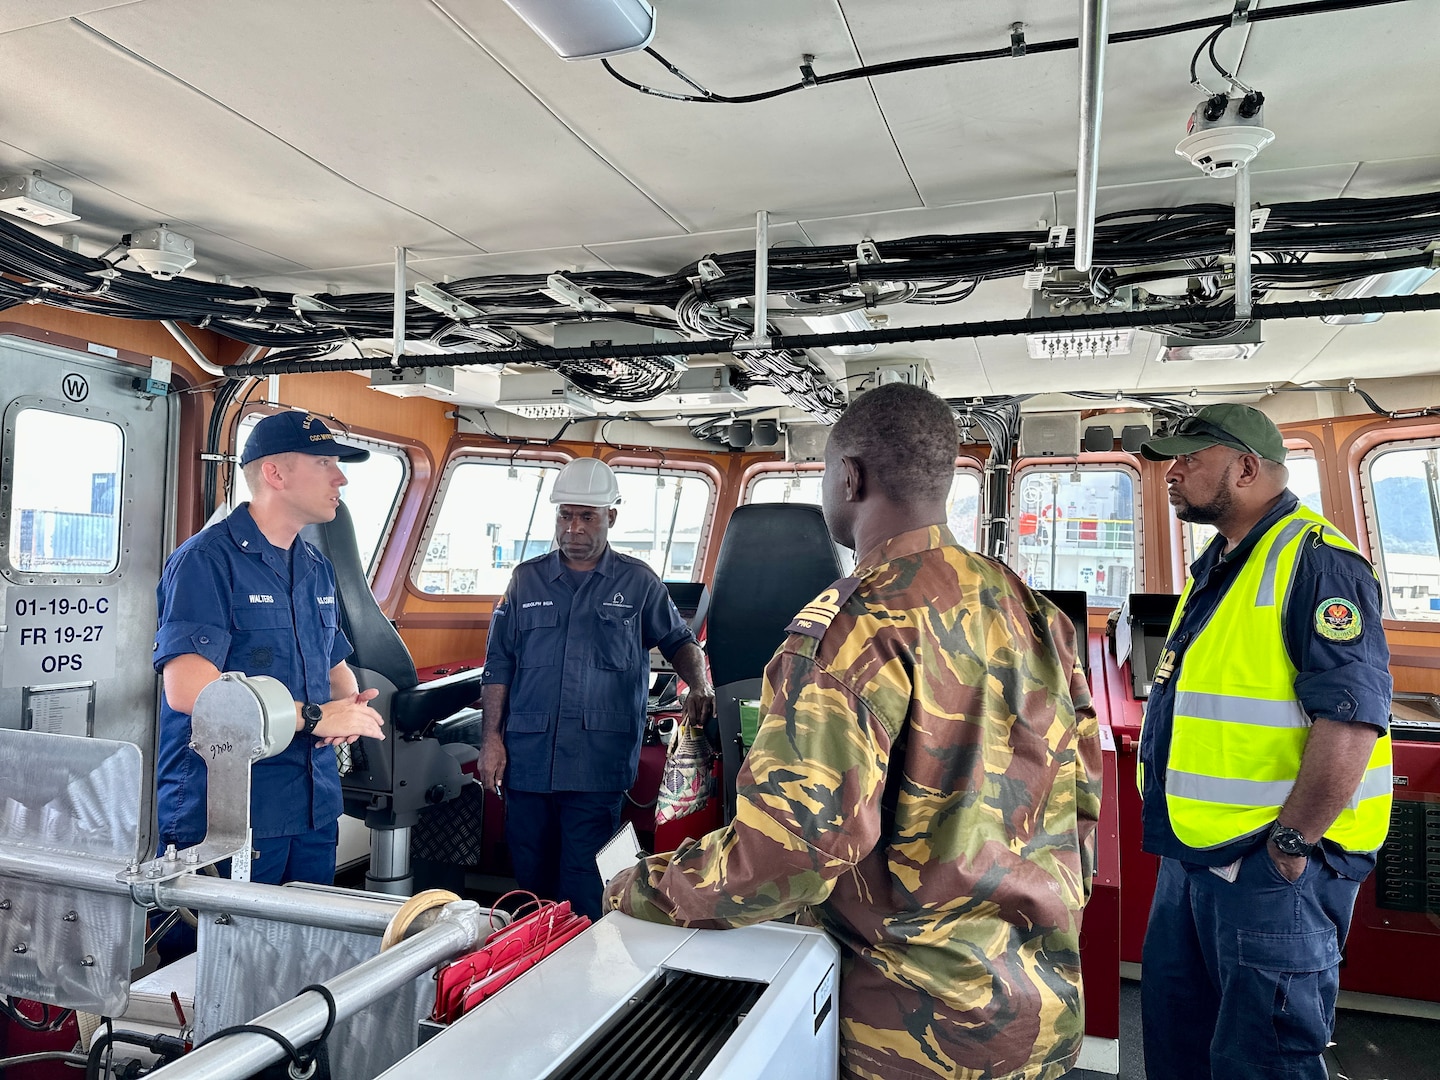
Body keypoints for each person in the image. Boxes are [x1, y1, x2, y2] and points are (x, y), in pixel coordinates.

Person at [605, 382, 1102, 1080]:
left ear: (850, 476)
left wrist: (643, 888)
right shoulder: (1034, 611)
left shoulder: (851, 625)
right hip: (1038, 1012)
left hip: (913, 1033)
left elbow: (794, 854)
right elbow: (1081, 806)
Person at [1136, 403, 1393, 1080]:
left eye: (1190, 457)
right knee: (1180, 1043)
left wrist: (1290, 845)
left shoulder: (1318, 564)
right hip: (1196, 851)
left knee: (1264, 1060)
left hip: (1271, 865)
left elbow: (1351, 719)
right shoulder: (1221, 562)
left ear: (1246, 467)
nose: (1173, 471)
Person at [154, 411, 386, 886]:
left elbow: (334, 662)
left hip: (313, 802)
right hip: (231, 811)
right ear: (275, 474)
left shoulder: (315, 565)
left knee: (306, 947)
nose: (340, 477)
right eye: (324, 463)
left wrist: (348, 706)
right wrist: (320, 717)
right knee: (219, 956)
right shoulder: (206, 560)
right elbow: (189, 692)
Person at [478, 457, 715, 921]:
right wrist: (490, 740)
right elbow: (498, 663)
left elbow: (679, 640)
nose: (574, 528)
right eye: (566, 515)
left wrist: (699, 685)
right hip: (529, 760)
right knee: (529, 879)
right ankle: (528, 970)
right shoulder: (526, 580)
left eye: (587, 516)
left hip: (597, 762)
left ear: (611, 517)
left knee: (587, 883)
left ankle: (582, 979)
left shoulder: (638, 582)